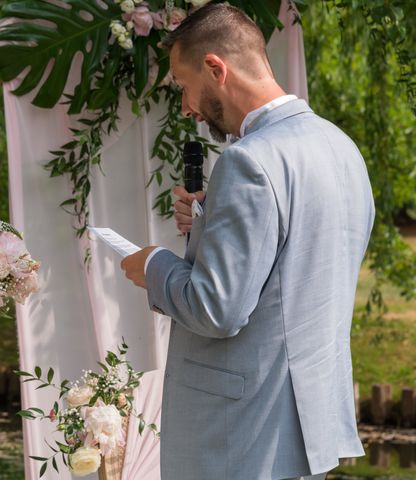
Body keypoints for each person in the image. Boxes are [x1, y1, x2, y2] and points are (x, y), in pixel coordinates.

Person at [121, 4, 374, 480]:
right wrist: (207, 226)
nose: (186, 107)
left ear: (215, 69)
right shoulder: (341, 147)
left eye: (182, 85)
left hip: (241, 435)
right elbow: (298, 265)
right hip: (304, 425)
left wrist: (154, 265)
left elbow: (217, 310)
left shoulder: (249, 161)